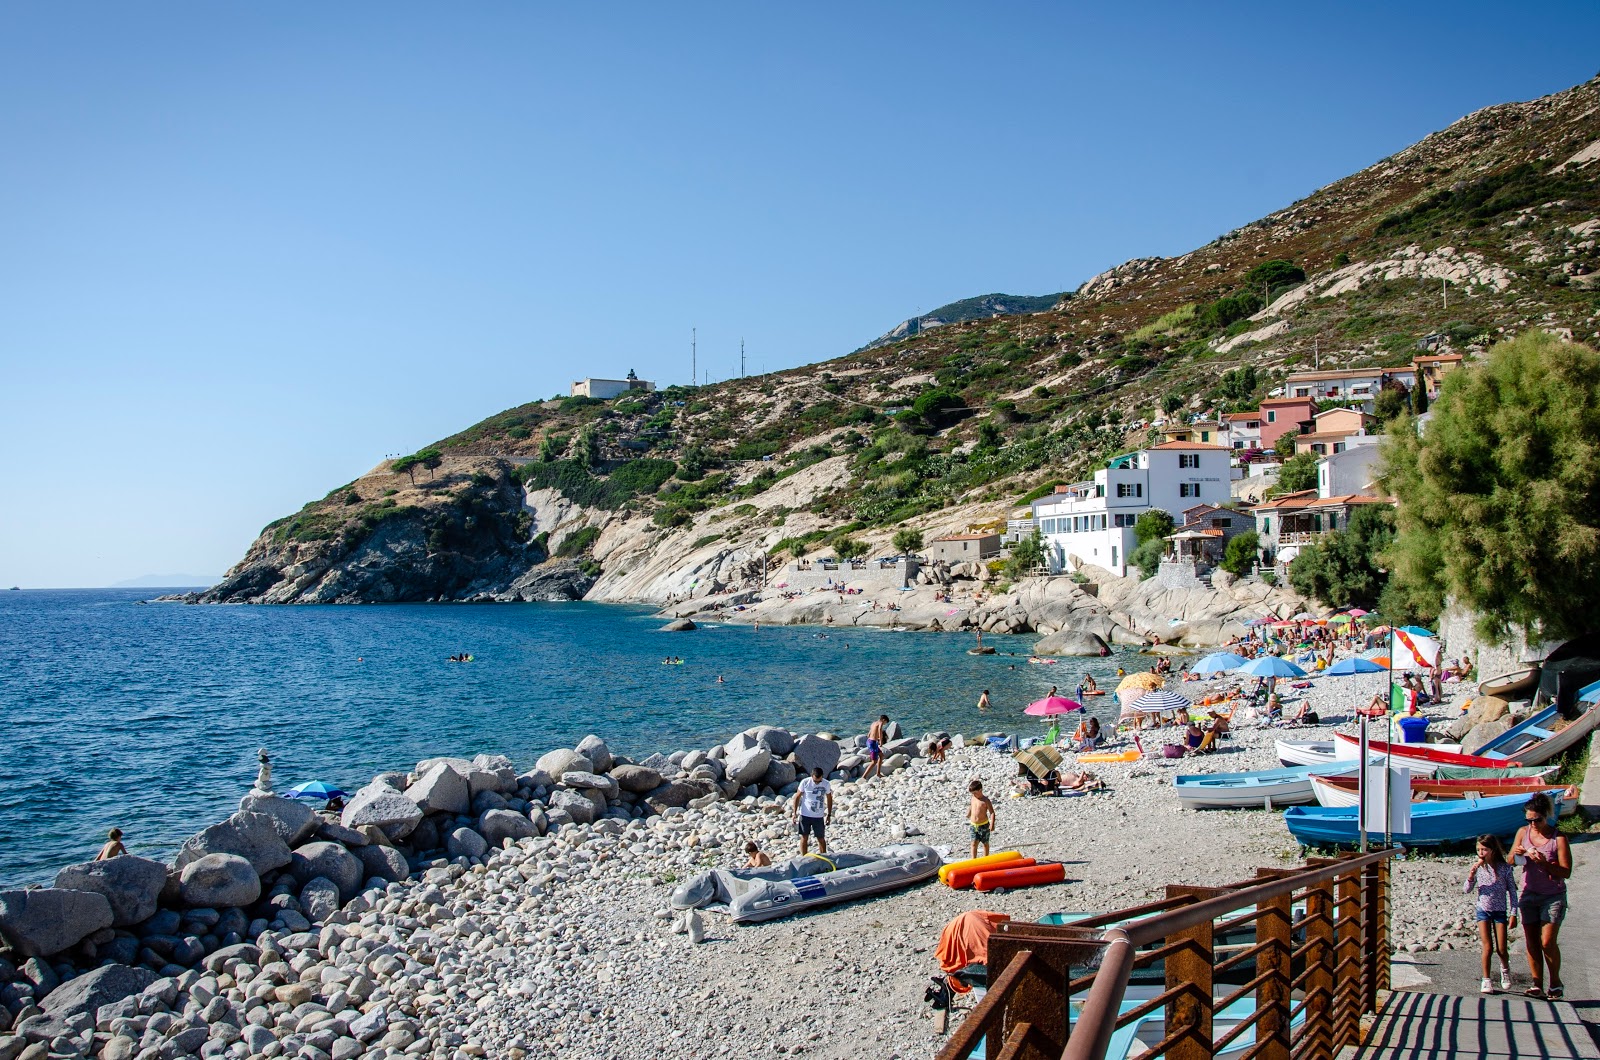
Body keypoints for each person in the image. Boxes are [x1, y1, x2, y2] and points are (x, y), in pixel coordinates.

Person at [1511, 792, 1571, 998]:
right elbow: (1510, 860)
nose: (1533, 824)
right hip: (1528, 893)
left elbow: (1566, 871)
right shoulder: (1522, 832)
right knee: (1532, 941)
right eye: (1529, 820)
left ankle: (1555, 982)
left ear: (1546, 816)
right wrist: (1517, 853)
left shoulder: (1558, 838)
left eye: (1537, 819)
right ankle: (1537, 984)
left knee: (1547, 942)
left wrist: (1544, 863)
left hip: (1552, 895)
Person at [1464, 834, 1517, 993]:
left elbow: (1513, 892)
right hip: (1483, 910)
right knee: (1487, 946)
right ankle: (1486, 979)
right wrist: (1471, 876)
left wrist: (1514, 913)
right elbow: (1466, 890)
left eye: (1484, 849)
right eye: (1478, 849)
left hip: (1500, 910)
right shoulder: (1479, 869)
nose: (1481, 853)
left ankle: (1505, 969)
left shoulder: (1505, 869)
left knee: (1501, 948)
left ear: (1493, 850)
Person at [789, 767, 833, 856]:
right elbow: (797, 797)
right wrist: (794, 813)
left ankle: (824, 857)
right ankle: (804, 857)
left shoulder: (826, 784)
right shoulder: (805, 782)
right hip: (805, 815)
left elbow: (829, 798)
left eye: (819, 781)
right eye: (815, 781)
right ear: (811, 776)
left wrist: (829, 815)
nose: (817, 783)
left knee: (820, 838)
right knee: (804, 837)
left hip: (818, 816)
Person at [967, 780, 996, 858]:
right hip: (973, 825)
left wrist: (992, 824)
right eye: (972, 793)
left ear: (980, 790)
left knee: (985, 843)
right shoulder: (973, 798)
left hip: (984, 825)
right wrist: (969, 813)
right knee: (973, 843)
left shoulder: (985, 801)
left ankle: (985, 858)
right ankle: (974, 859)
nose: (974, 795)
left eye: (975, 793)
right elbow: (971, 806)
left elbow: (992, 813)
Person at [864, 714, 889, 781]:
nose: (884, 724)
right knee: (874, 761)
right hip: (872, 743)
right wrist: (880, 741)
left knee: (881, 755)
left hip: (869, 741)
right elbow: (880, 731)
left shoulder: (873, 723)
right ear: (883, 720)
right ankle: (864, 776)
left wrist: (875, 737)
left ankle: (878, 773)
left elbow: (869, 734)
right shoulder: (880, 723)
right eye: (885, 723)